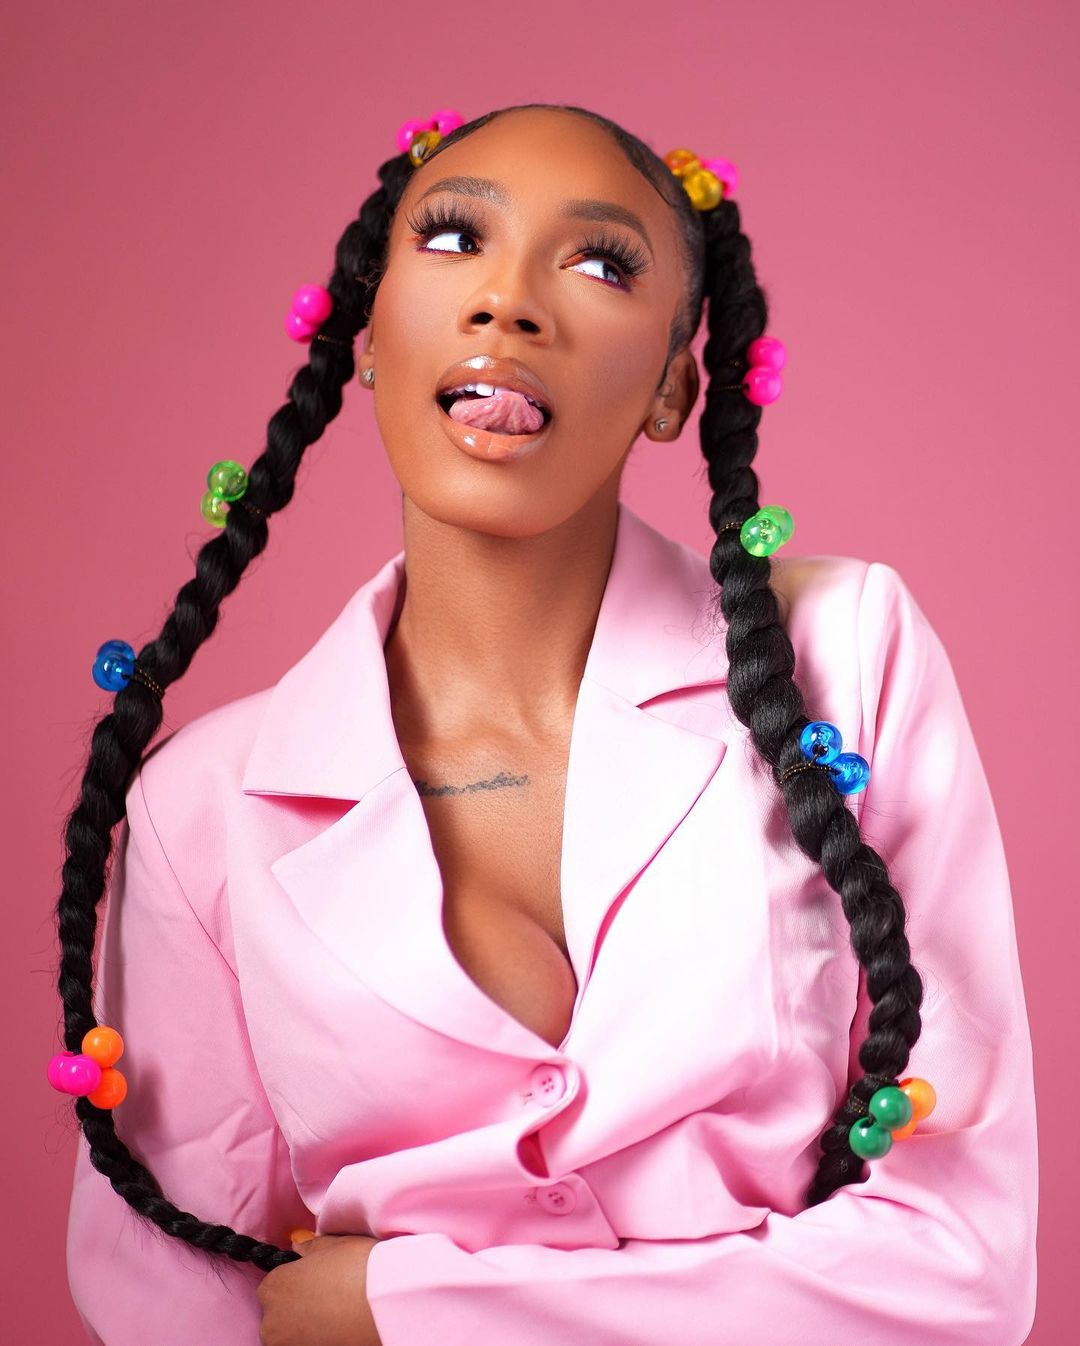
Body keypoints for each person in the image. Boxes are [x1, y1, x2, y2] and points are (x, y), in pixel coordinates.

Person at [55, 103, 1038, 1345]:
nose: (506, 302)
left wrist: (410, 1307)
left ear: (674, 387)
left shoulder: (848, 655)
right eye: (453, 238)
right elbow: (171, 1303)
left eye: (600, 262)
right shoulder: (201, 804)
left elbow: (960, 1270)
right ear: (369, 337)